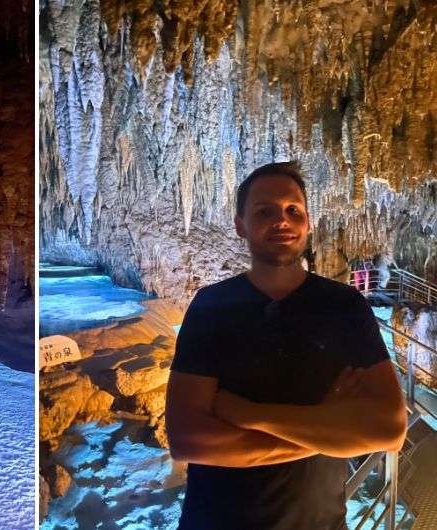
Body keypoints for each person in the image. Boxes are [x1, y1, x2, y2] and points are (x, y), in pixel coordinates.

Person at [166, 162, 407, 530]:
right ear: (240, 225)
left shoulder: (344, 306)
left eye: (293, 210)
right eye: (265, 211)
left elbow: (389, 430)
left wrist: (250, 414)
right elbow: (188, 441)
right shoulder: (211, 306)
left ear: (308, 222)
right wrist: (333, 431)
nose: (282, 220)